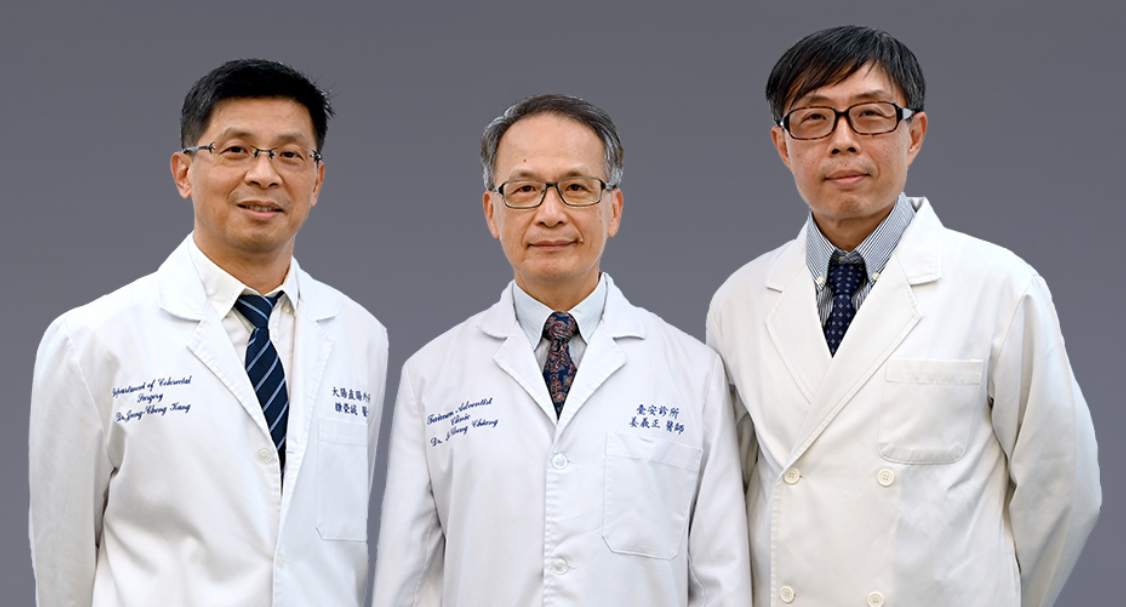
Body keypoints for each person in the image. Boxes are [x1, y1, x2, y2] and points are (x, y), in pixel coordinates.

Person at [707, 25, 1100, 607]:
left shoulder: (1000, 288)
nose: (843, 141)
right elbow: (726, 495)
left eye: (870, 115)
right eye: (814, 119)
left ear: (914, 135)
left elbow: (1062, 486)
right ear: (782, 145)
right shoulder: (739, 302)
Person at [28, 59, 387, 607]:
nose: (264, 174)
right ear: (183, 172)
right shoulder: (91, 342)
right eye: (236, 149)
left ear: (316, 181)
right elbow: (62, 566)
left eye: (290, 154)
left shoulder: (362, 337)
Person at [372, 94, 750, 606]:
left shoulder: (693, 373)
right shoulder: (431, 375)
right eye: (525, 189)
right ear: (491, 212)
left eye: (576, 188)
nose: (550, 214)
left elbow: (720, 577)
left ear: (613, 209)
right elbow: (409, 576)